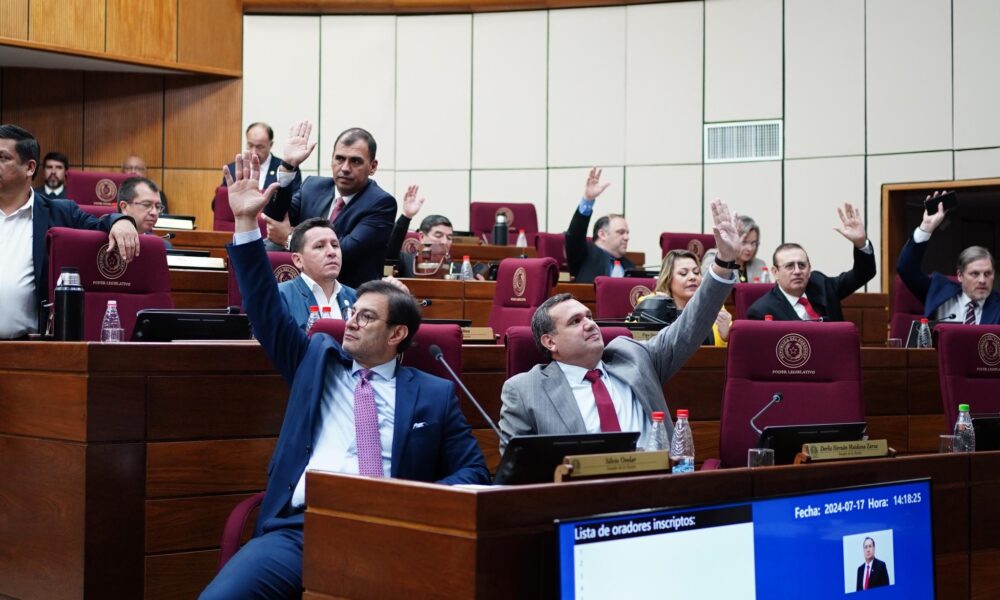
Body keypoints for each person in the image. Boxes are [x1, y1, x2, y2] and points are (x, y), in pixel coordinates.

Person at [200, 151, 489, 599]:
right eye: (353, 313)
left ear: (397, 334)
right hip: (302, 528)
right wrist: (244, 223)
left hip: (397, 530)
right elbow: (263, 303)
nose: (350, 321)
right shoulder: (316, 362)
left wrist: (415, 500)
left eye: (366, 318)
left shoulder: (434, 393)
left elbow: (474, 471)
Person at [498, 199, 742, 452]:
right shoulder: (526, 389)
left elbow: (691, 324)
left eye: (589, 316)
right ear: (550, 341)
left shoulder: (635, 358)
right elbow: (518, 471)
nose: (590, 324)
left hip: (656, 483)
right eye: (575, 321)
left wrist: (724, 261)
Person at [0, 124, 139, 339]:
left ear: (29, 167)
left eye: (3, 158)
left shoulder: (61, 213)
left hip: (27, 348)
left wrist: (121, 221)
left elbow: (100, 225)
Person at [263, 121, 396, 289]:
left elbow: (344, 252)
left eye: (355, 161)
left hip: (351, 296)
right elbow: (275, 218)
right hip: (304, 289)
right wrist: (288, 166)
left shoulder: (381, 203)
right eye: (339, 159)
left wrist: (288, 239)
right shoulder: (313, 187)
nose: (345, 168)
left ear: (373, 166)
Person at [746, 203, 875, 321]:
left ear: (809, 269)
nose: (797, 271)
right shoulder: (762, 311)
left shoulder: (821, 285)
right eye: (789, 266)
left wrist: (861, 243)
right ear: (775, 272)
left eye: (802, 265)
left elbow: (863, 273)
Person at [896, 192, 1000, 324]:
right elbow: (906, 268)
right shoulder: (938, 292)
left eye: (987, 274)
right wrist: (926, 227)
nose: (982, 280)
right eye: (974, 274)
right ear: (960, 275)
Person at [637, 249, 732, 346]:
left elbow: (732, 352)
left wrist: (726, 337)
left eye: (696, 272)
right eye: (683, 273)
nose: (692, 277)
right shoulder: (650, 306)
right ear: (668, 279)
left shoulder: (714, 306)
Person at [280, 217, 357, 330]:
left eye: (335, 245)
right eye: (319, 246)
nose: (331, 252)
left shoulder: (356, 298)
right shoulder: (280, 296)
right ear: (298, 260)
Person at [566, 167, 634, 283]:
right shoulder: (585, 254)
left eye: (627, 233)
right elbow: (574, 235)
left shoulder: (629, 266)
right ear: (602, 234)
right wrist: (588, 199)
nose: (627, 237)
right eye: (620, 232)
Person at [702, 215, 769, 283]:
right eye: (744, 242)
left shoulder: (760, 265)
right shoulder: (714, 257)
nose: (750, 248)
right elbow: (705, 287)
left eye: (753, 243)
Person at [116, 177, 171, 249]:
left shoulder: (163, 246)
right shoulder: (103, 240)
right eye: (146, 205)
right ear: (124, 207)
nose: (154, 212)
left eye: (158, 206)